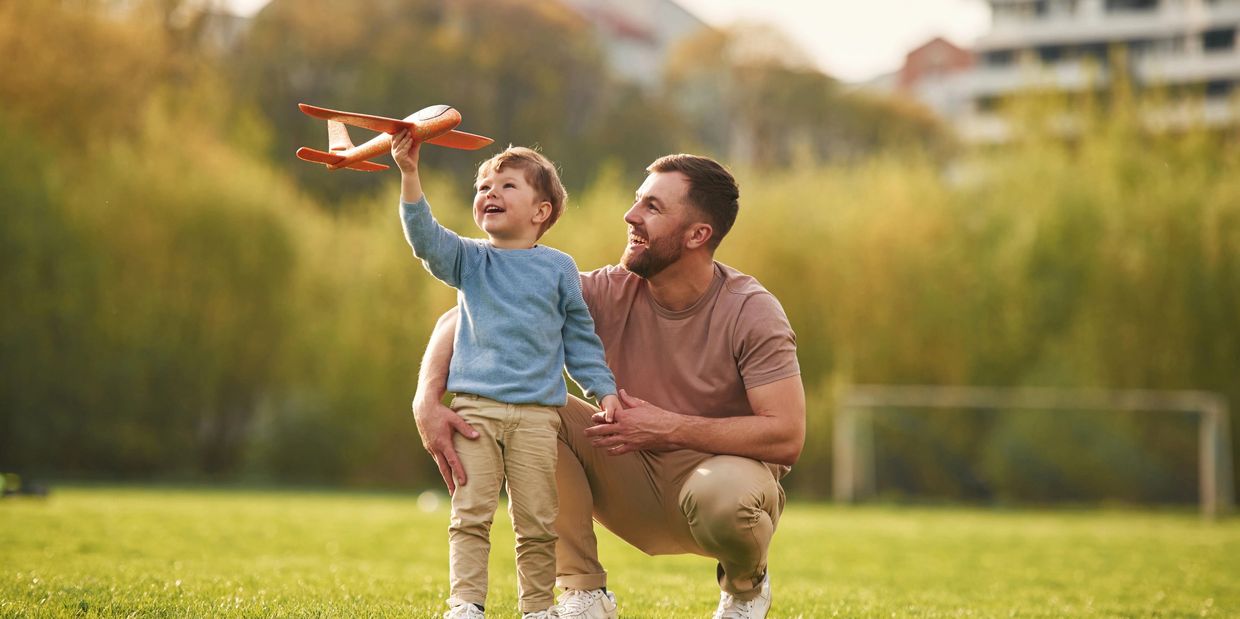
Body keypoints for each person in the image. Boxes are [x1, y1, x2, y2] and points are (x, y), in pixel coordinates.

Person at [413, 153, 805, 619]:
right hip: (628, 473)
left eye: (653, 208)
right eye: (637, 201)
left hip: (718, 488)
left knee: (722, 499)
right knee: (535, 412)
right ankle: (584, 593)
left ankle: (744, 590)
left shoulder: (751, 310)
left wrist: (667, 427)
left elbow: (786, 436)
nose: (630, 215)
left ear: (698, 235)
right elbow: (464, 317)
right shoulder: (604, 290)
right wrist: (427, 400)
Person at [391, 131, 622, 619]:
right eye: (482, 187)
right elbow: (425, 239)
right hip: (476, 412)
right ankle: (466, 605)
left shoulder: (559, 269)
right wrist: (410, 175)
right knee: (471, 514)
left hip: (539, 418)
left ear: (541, 211)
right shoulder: (471, 260)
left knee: (538, 522)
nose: (488, 193)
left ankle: (537, 609)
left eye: (506, 186)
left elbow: (579, 340)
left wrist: (604, 391)